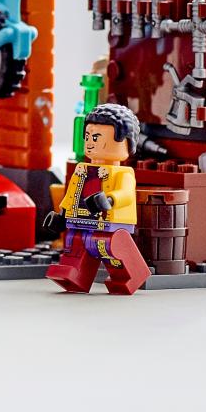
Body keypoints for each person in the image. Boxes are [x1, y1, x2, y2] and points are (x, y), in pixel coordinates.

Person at [47, 102, 150, 294]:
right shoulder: (82, 170)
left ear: (125, 142)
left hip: (111, 223)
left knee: (111, 247)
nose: (89, 142)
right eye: (87, 137)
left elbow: (126, 194)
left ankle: (130, 275)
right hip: (81, 221)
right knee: (75, 242)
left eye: (96, 137)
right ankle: (75, 275)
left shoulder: (123, 173)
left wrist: (109, 200)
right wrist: (61, 215)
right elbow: (72, 194)